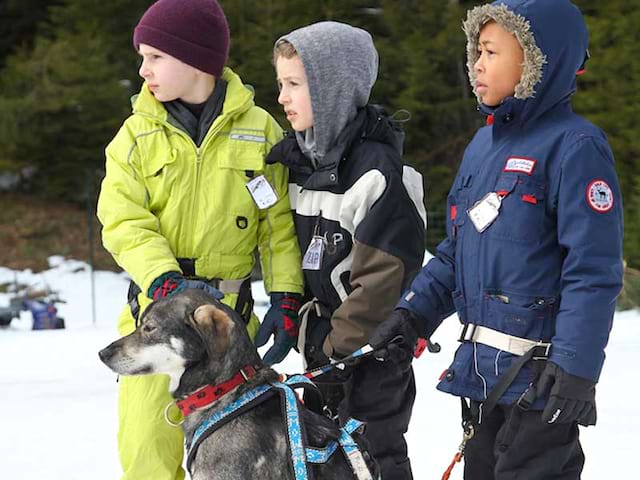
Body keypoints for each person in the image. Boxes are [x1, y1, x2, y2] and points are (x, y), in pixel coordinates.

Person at [370, 0, 624, 478]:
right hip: (483, 379)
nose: (477, 65)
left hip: (543, 380)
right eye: (477, 52)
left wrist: (575, 368)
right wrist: (412, 315)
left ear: (536, 60)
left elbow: (592, 270)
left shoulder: (576, 146)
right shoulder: (483, 145)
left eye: (491, 52)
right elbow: (456, 250)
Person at [96, 0, 304, 478]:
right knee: (148, 449)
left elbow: (278, 227)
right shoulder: (135, 136)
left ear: (195, 60)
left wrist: (287, 297)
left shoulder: (259, 132)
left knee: (233, 455)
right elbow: (122, 219)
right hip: (156, 322)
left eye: (155, 57)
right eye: (142, 57)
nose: (143, 69)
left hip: (225, 332)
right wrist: (163, 276)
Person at [263, 21, 427, 479]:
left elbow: (384, 278)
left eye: (294, 84)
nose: (282, 97)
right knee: (326, 463)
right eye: (281, 84)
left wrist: (341, 348)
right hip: (322, 353)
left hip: (370, 356)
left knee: (373, 459)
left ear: (332, 89)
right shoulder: (298, 164)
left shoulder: (378, 172)